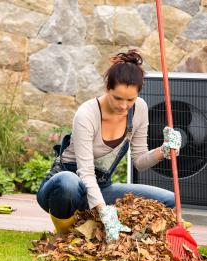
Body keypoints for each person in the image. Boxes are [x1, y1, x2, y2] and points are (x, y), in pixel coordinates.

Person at [36, 50, 181, 242]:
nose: (123, 106)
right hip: (63, 189)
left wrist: (163, 151)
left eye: (130, 100)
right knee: (67, 183)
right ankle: (65, 235)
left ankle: (97, 226)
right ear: (107, 88)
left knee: (170, 200)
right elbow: (85, 173)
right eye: (118, 98)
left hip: (100, 187)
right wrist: (105, 212)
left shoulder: (140, 109)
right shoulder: (86, 115)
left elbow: (139, 161)